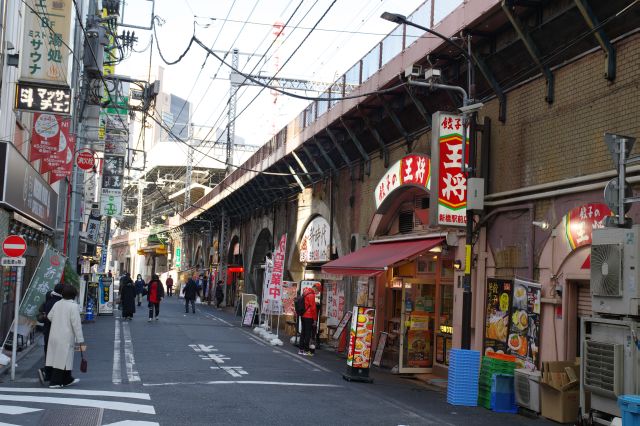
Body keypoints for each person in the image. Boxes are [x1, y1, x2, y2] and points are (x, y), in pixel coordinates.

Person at [46, 285, 85, 388]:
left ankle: (67, 379)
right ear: (74, 295)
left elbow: (49, 316)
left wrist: (58, 321)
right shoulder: (73, 306)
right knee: (62, 358)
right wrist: (80, 340)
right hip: (66, 336)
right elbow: (76, 324)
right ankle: (55, 382)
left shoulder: (57, 304)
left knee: (60, 358)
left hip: (54, 334)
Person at [38, 283, 63, 385]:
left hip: (48, 331)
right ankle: (50, 374)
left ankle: (48, 373)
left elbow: (41, 317)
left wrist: (44, 317)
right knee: (56, 353)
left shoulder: (48, 303)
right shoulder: (58, 303)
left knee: (49, 352)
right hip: (55, 331)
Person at [299, 283, 319, 356]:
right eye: (318, 291)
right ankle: (306, 350)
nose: (317, 292)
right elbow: (313, 308)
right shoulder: (311, 295)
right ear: (316, 289)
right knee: (308, 333)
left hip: (303, 315)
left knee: (303, 332)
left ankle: (301, 349)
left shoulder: (306, 291)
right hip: (309, 316)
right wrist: (315, 319)